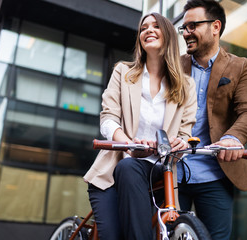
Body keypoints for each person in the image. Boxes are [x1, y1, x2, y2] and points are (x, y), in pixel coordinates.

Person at [83, 12, 197, 240]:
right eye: (144, 27)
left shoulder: (186, 85)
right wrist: (129, 145)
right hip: (113, 172)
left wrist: (181, 141)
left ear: (169, 36)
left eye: (156, 26)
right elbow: (108, 119)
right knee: (128, 168)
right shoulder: (123, 72)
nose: (148, 30)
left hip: (158, 173)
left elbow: (186, 131)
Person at [176, 0, 247, 239]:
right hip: (172, 170)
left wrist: (232, 138)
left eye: (193, 26)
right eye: (184, 28)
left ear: (215, 27)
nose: (186, 33)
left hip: (215, 172)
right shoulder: (173, 66)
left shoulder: (239, 66)